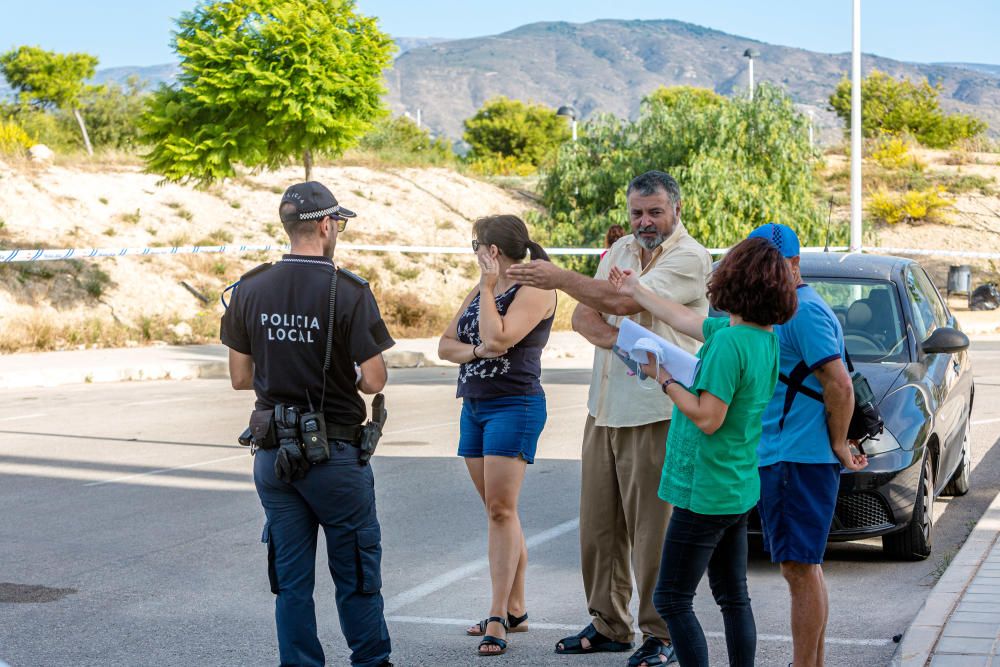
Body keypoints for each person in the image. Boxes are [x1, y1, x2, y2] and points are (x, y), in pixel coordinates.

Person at [507, 171, 711, 667]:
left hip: (656, 411)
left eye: (655, 212)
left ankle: (660, 634)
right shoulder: (619, 254)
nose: (644, 221)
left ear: (676, 210)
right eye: (637, 212)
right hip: (605, 409)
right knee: (599, 529)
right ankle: (608, 625)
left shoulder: (690, 257)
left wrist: (564, 281)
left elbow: (619, 301)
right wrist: (618, 334)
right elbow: (581, 315)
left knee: (652, 533)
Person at [220, 181, 395, 667]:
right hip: (335, 455)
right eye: (337, 222)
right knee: (357, 574)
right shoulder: (349, 290)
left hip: (274, 455)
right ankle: (371, 662)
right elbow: (374, 380)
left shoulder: (249, 288)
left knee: (291, 585)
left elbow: (240, 378)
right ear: (325, 225)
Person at [611, 237, 798, 667]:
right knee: (733, 596)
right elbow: (684, 318)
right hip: (736, 484)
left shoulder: (731, 345)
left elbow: (708, 416)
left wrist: (661, 376)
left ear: (734, 281)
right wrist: (636, 290)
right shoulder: (760, 337)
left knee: (672, 599)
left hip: (707, 488)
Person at [746, 223, 867, 667]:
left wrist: (838, 441)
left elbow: (839, 384)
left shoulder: (803, 311)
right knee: (805, 569)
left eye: (773, 266)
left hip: (797, 457)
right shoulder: (784, 309)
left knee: (798, 570)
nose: (764, 275)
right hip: (789, 455)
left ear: (795, 266)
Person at [438, 214, 557, 657]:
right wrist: (473, 352)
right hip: (474, 405)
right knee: (498, 511)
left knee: (501, 509)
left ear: (492, 251)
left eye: (476, 247)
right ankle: (517, 608)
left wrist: (489, 290)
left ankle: (497, 615)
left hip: (515, 403)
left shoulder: (536, 289)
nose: (474, 255)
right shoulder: (478, 290)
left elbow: (500, 337)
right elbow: (445, 344)